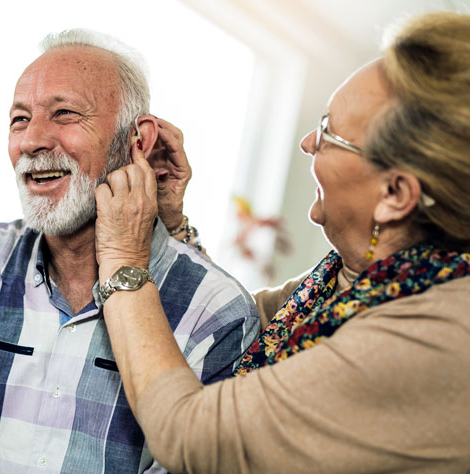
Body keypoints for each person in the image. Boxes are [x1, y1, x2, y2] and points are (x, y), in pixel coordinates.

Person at [0, 30, 260, 473]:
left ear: (138, 142)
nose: (33, 140)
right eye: (19, 119)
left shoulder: (217, 311)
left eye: (65, 114)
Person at [94, 11, 470, 473]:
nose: (309, 143)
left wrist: (123, 262)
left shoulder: (432, 339)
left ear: (394, 195)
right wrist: (174, 227)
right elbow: (235, 322)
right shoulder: (351, 285)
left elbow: (193, 435)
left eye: (331, 133)